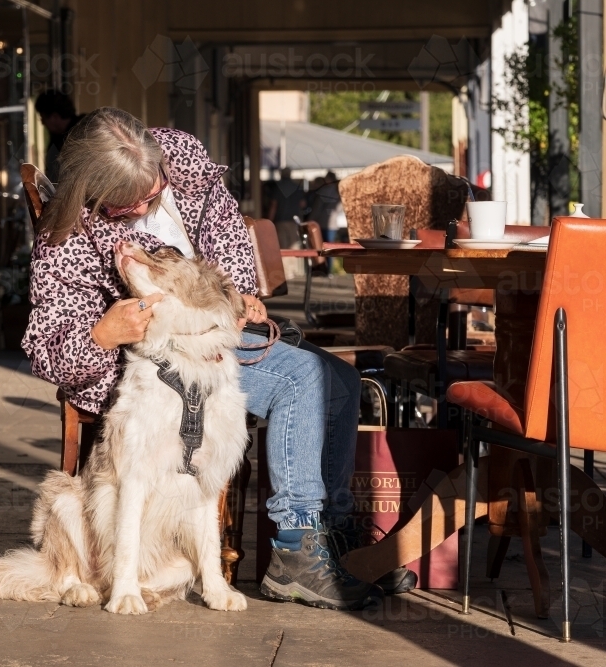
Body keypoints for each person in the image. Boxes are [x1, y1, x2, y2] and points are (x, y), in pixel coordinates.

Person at [22, 107, 412, 611]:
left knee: (341, 378)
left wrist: (241, 292)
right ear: (95, 197)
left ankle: (331, 536)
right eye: (132, 204)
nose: (152, 200)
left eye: (157, 186)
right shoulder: (65, 236)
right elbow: (47, 351)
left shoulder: (181, 158)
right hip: (159, 361)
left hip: (214, 334)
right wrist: (103, 334)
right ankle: (295, 551)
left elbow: (226, 225)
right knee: (302, 379)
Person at [35, 89, 83, 183]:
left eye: (43, 118)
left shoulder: (82, 133)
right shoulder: (85, 127)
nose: (42, 123)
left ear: (55, 117)